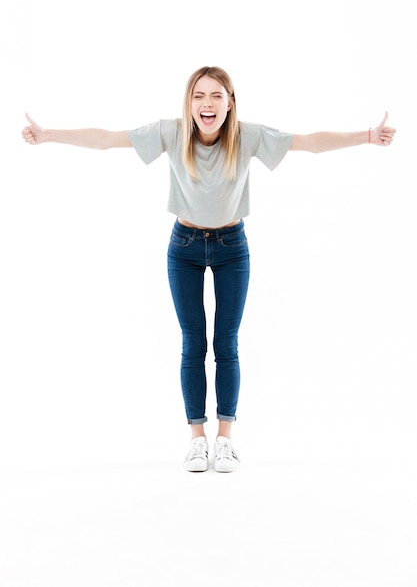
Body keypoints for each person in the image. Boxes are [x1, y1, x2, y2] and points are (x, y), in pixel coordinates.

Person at [21, 65, 396, 473]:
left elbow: (308, 143)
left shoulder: (247, 136)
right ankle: (197, 439)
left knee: (226, 344)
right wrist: (48, 135)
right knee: (192, 343)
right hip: (183, 246)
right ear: (189, 102)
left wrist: (367, 137)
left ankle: (226, 440)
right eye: (199, 95)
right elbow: (108, 139)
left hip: (232, 247)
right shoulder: (172, 132)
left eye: (217, 95)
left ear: (230, 103)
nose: (207, 103)